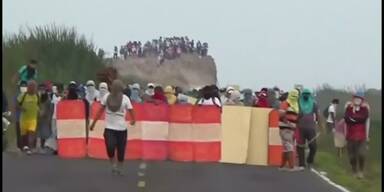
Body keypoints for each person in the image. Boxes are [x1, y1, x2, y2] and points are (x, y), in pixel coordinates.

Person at [89, 80, 136, 176]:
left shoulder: (125, 99)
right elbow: (100, 111)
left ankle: (120, 167)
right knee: (110, 147)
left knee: (121, 150)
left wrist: (133, 120)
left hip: (122, 129)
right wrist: (93, 123)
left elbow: (131, 111)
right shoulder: (106, 97)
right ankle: (113, 165)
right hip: (109, 128)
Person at [344, 92, 369, 179]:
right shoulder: (348, 108)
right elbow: (347, 118)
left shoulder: (364, 109)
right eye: (356, 98)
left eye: (359, 99)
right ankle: (354, 171)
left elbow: (364, 118)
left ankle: (361, 171)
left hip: (361, 137)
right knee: (352, 157)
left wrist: (353, 119)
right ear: (353, 99)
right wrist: (355, 119)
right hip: (350, 137)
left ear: (362, 100)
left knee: (362, 154)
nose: (357, 100)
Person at [278, 89, 301, 171]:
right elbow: (280, 114)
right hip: (285, 127)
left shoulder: (295, 104)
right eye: (293, 96)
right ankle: (292, 166)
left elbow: (296, 116)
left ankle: (282, 166)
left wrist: (295, 125)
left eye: (296, 96)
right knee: (289, 147)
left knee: (286, 147)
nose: (294, 97)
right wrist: (288, 122)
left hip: (291, 128)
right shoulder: (285, 103)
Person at [297, 88, 320, 169]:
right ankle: (301, 163)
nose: (306, 95)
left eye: (308, 94)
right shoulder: (298, 103)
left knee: (313, 146)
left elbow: (317, 115)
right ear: (302, 95)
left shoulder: (314, 103)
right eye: (305, 94)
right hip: (300, 127)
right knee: (300, 146)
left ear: (310, 95)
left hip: (311, 128)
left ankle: (310, 160)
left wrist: (319, 124)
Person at [17, 80, 40, 155]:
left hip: (33, 119)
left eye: (34, 87)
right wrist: (21, 108)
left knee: (31, 133)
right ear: (28, 87)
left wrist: (40, 111)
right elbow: (16, 105)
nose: (32, 88)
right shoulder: (23, 95)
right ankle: (25, 146)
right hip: (23, 119)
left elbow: (39, 105)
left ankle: (30, 148)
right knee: (24, 135)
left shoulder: (37, 95)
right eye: (30, 86)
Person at [37, 84, 52, 152]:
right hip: (37, 117)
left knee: (44, 133)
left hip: (45, 118)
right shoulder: (36, 97)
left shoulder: (48, 98)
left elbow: (50, 109)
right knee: (38, 133)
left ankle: (43, 146)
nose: (42, 90)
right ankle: (38, 146)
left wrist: (49, 117)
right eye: (40, 89)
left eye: (43, 89)